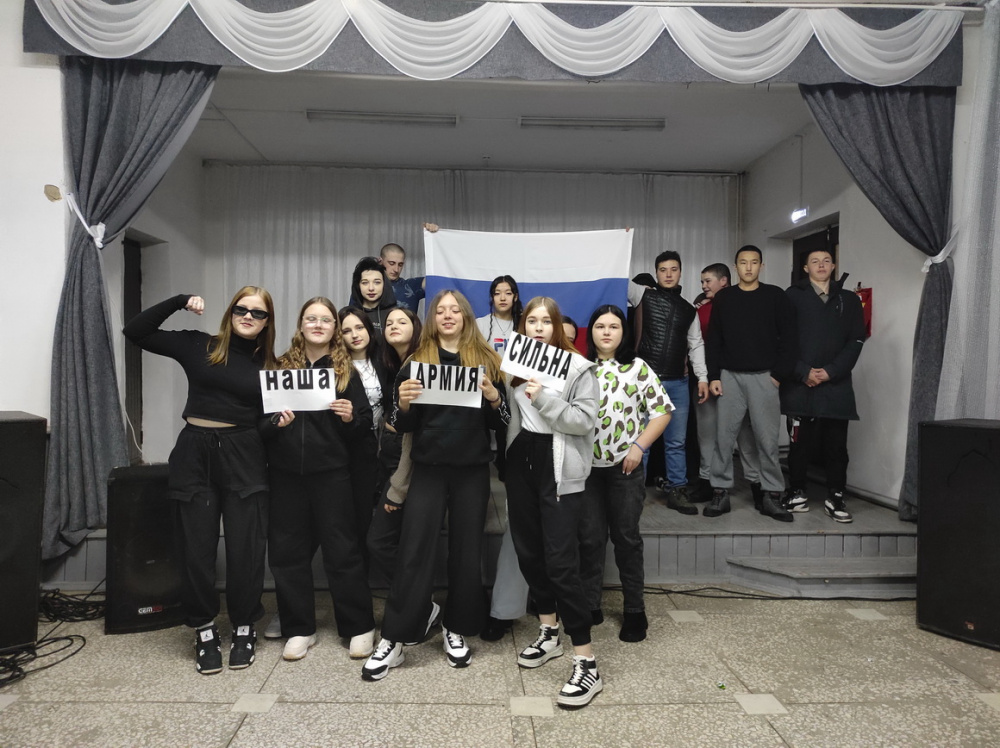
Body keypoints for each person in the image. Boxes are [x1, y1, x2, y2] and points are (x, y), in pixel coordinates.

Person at [123, 288, 283, 675]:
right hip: (194, 454)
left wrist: (278, 422)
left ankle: (244, 627)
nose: (248, 316)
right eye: (241, 309)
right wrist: (179, 300)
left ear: (267, 322)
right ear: (230, 312)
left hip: (244, 455)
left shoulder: (271, 367)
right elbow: (136, 332)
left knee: (246, 549)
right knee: (196, 549)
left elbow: (263, 427)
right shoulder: (200, 345)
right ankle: (204, 629)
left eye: (258, 313)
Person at [362, 290, 508, 680]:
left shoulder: (486, 361)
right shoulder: (416, 362)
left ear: (466, 316)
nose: (447, 315)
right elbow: (399, 424)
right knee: (414, 551)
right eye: (440, 310)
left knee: (466, 553)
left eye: (454, 310)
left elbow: (503, 422)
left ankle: (455, 628)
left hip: (471, 472)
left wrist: (495, 398)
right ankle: (394, 637)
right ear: (432, 319)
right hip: (427, 470)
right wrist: (404, 404)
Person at [263, 297, 376, 662]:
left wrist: (349, 417)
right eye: (310, 318)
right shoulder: (279, 367)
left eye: (325, 320)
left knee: (342, 551)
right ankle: (299, 628)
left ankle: (359, 626)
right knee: (287, 553)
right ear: (301, 325)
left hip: (332, 475)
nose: (317, 324)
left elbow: (363, 426)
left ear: (334, 329)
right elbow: (260, 424)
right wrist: (275, 423)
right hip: (286, 476)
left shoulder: (346, 372)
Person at [505, 296, 603, 709]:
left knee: (561, 561)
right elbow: (513, 417)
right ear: (524, 327)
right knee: (529, 553)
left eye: (546, 321)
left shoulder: (578, 368)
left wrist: (544, 396)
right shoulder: (515, 364)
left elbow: (584, 421)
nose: (539, 328)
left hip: (559, 464)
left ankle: (587, 662)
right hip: (522, 460)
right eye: (532, 321)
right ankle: (549, 632)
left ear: (558, 327)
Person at [579, 305, 672, 643]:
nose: (606, 332)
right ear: (590, 331)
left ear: (624, 331)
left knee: (627, 539)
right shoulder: (580, 368)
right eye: (600, 326)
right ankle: (590, 605)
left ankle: (635, 609)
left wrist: (639, 446)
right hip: (586, 470)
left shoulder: (637, 368)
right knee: (589, 539)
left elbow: (662, 412)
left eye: (614, 326)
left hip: (625, 469)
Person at [705, 245, 797, 521]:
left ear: (761, 266)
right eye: (743, 262)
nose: (748, 267)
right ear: (735, 267)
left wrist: (778, 375)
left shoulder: (775, 296)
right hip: (729, 376)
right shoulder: (724, 298)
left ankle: (772, 494)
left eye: (754, 262)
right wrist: (714, 376)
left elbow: (790, 338)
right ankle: (720, 492)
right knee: (723, 438)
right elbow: (714, 339)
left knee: (767, 440)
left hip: (764, 377)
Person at [781, 249, 866, 522]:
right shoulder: (791, 296)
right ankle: (796, 491)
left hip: (836, 385)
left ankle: (836, 496)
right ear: (806, 268)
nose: (821, 265)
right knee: (799, 444)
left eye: (826, 261)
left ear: (833, 266)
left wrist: (831, 372)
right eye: (815, 261)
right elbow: (781, 340)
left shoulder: (848, 299)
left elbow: (856, 340)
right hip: (800, 384)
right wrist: (802, 371)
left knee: (836, 446)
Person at [627, 251, 709, 515]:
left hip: (678, 383)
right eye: (663, 270)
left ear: (681, 272)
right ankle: (634, 494)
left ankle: (677, 491)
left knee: (676, 443)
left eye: (673, 269)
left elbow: (696, 344)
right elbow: (617, 278)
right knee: (642, 442)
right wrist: (619, 243)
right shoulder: (642, 295)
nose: (669, 274)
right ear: (656, 273)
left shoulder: (688, 310)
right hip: (645, 381)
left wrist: (703, 377)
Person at [693, 263, 764, 507]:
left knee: (745, 434)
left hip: (736, 377)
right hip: (706, 379)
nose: (704, 286)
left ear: (723, 281)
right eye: (702, 282)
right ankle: (708, 484)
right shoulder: (701, 309)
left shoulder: (742, 304)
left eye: (708, 281)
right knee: (707, 433)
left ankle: (757, 485)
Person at [367, 307, 423, 586]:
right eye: (389, 323)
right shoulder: (391, 365)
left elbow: (415, 431)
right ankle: (412, 600)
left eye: (402, 321)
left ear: (416, 327)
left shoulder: (420, 365)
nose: (393, 326)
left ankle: (417, 601)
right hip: (387, 455)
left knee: (380, 540)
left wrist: (399, 486)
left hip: (407, 460)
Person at [339, 306, 391, 554]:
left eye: (359, 327)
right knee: (348, 513)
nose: (354, 335)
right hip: (345, 445)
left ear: (370, 330)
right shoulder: (336, 365)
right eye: (346, 330)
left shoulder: (383, 360)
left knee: (366, 511)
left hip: (375, 443)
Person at [349, 256, 398, 334]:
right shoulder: (349, 315)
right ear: (358, 286)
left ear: (384, 284)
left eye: (377, 282)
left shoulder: (395, 314)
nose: (371, 288)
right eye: (365, 283)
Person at [476, 275, 522, 357]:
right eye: (497, 293)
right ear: (492, 297)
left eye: (508, 293)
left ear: (515, 297)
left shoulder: (523, 324)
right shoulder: (479, 324)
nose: (502, 298)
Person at [379, 242, 425, 312]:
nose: (396, 269)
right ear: (380, 262)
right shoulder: (369, 287)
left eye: (400, 265)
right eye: (392, 263)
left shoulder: (411, 286)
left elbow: (437, 281)